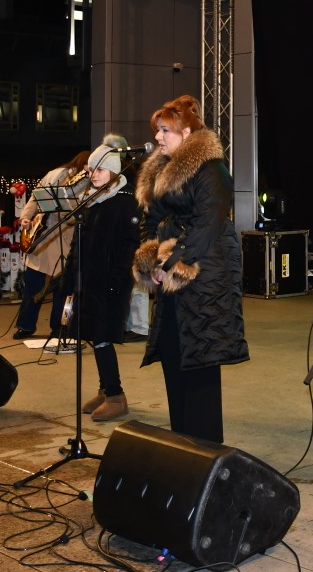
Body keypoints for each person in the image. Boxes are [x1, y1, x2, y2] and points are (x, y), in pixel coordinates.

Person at [132, 95, 249, 444]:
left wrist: (170, 262)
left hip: (207, 273)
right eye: (157, 130)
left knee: (200, 359)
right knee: (174, 354)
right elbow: (152, 221)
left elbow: (208, 223)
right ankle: (182, 445)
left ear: (185, 133)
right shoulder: (159, 170)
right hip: (172, 274)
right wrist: (151, 261)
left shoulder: (212, 168)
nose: (158, 137)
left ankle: (205, 449)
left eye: (165, 131)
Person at [72, 134, 141, 422]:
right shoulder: (94, 201)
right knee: (94, 335)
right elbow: (81, 243)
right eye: (91, 170)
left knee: (102, 337)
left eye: (99, 169)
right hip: (92, 281)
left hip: (110, 282)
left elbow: (130, 246)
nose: (93, 175)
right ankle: (104, 389)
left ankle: (115, 396)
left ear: (113, 171)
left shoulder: (126, 202)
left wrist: (117, 281)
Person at [13, 151, 90, 340]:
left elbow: (36, 197)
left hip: (51, 236)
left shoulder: (56, 174)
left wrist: (27, 217)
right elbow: (37, 197)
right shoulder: (66, 176)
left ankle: (29, 326)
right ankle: (56, 327)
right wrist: (26, 217)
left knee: (44, 285)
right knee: (55, 286)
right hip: (50, 235)